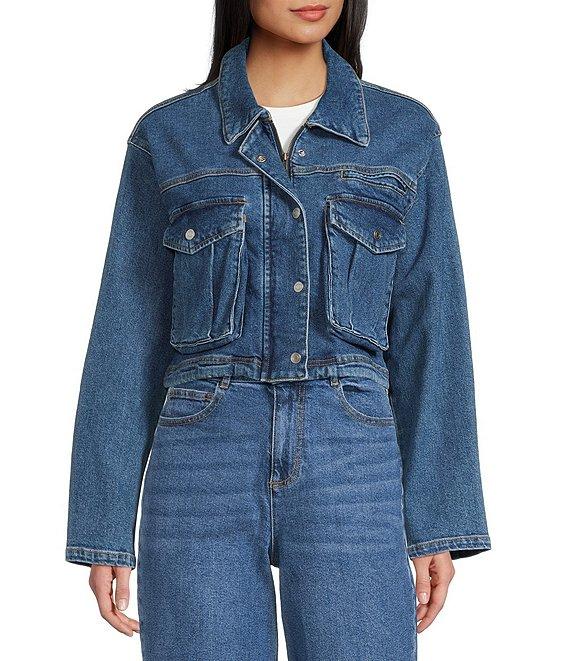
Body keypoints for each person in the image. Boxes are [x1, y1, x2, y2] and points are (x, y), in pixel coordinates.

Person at [66, 1, 491, 658]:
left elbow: (432, 331)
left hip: (354, 466)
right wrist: (104, 525)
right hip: (201, 468)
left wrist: (440, 518)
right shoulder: (169, 134)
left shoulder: (404, 133)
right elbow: (128, 333)